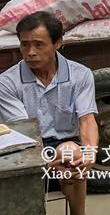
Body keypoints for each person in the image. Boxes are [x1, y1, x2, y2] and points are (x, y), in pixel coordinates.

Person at [0, 12, 99, 215]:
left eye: (38, 44)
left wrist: (89, 154)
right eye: (25, 45)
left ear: (57, 43)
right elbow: (23, 132)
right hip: (24, 148)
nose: (30, 52)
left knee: (71, 152)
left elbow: (87, 119)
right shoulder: (7, 82)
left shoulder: (80, 75)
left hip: (64, 145)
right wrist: (44, 162)